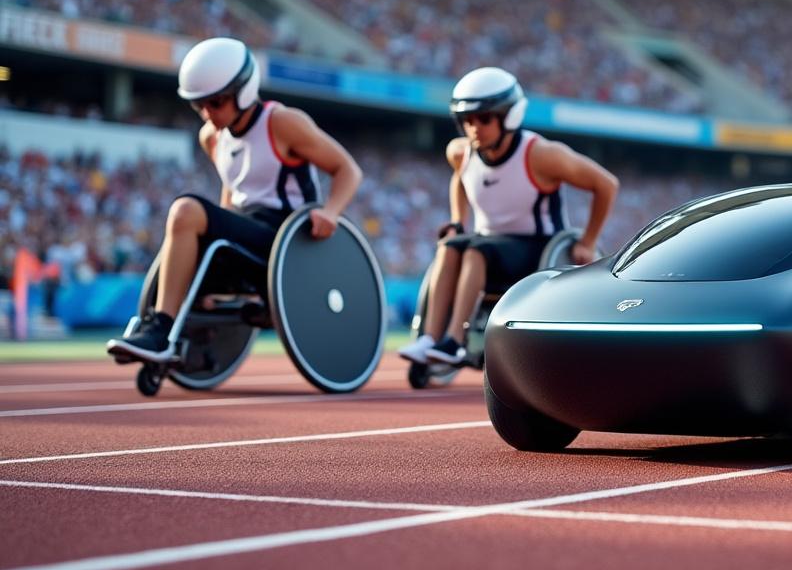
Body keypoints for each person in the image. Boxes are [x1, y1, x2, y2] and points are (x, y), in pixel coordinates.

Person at [107, 37, 363, 362]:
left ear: (243, 91)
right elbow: (231, 193)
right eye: (198, 105)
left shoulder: (282, 122)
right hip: (245, 230)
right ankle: (165, 323)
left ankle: (160, 332)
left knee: (186, 210)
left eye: (216, 103)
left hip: (286, 239)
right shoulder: (212, 138)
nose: (207, 113)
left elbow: (347, 170)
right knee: (190, 237)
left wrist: (331, 212)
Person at [398, 67, 619, 365]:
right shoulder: (461, 153)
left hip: (538, 248)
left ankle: (453, 341)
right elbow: (460, 179)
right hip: (491, 243)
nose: (474, 127)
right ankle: (429, 338)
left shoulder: (542, 155)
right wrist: (457, 221)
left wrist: (589, 240)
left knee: (476, 250)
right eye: (467, 120)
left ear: (509, 116)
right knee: (449, 246)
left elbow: (606, 185)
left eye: (484, 118)